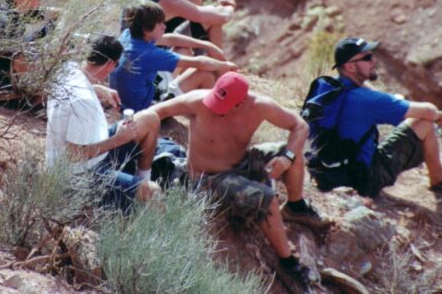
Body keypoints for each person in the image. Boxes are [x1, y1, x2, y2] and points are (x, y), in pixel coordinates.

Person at [135, 72, 329, 292]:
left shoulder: (260, 106)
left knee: (293, 155)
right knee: (265, 199)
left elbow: (300, 125)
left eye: (224, 103)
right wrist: (131, 129)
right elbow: (154, 112)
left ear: (242, 101)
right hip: (208, 178)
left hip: (241, 163)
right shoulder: (198, 101)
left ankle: (295, 206)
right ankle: (287, 263)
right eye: (216, 99)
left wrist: (287, 158)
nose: (216, 107)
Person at [323, 37, 442, 198]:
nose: (373, 61)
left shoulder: (331, 88)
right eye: (367, 58)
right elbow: (428, 111)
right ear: (350, 66)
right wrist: (437, 115)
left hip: (334, 173)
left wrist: (395, 102)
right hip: (366, 179)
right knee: (423, 123)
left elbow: (373, 96)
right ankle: (438, 177)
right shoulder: (367, 100)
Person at [46, 35, 164, 211]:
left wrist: (96, 87)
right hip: (79, 175)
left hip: (89, 154)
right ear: (110, 64)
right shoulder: (83, 102)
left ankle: (139, 181)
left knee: (149, 119)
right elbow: (74, 155)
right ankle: (139, 210)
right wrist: (118, 140)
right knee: (153, 192)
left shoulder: (68, 69)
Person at [110, 0, 237, 112]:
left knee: (183, 50)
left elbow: (168, 39)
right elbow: (200, 62)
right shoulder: (148, 54)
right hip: (146, 108)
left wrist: (206, 45)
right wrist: (224, 65)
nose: (164, 26)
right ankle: (214, 114)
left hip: (132, 96)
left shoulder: (129, 35)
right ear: (146, 29)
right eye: (159, 23)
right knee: (204, 74)